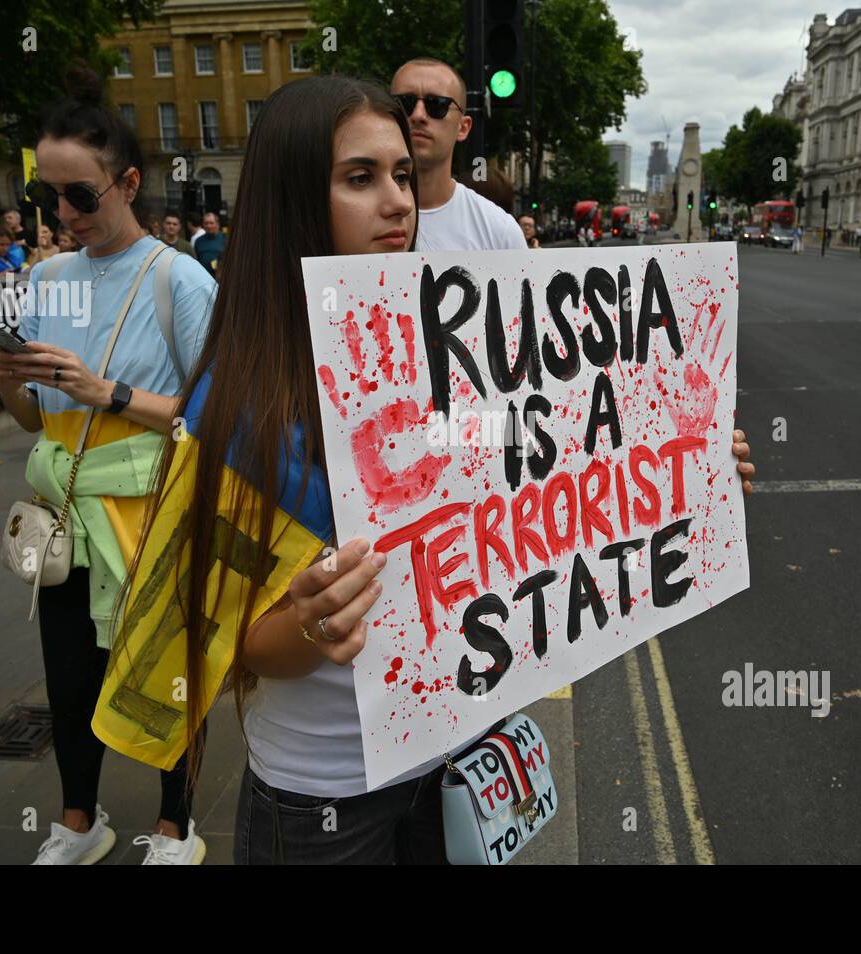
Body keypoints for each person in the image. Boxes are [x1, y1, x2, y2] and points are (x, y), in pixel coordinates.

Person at [104, 75, 757, 866]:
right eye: (359, 178)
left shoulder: (447, 359)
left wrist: (684, 461)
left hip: (458, 760)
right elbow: (237, 644)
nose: (397, 202)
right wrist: (311, 623)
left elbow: (532, 449)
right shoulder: (239, 405)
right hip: (326, 796)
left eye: (401, 177)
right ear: (290, 199)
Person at [0, 65, 218, 866]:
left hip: (150, 509)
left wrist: (107, 391)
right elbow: (35, 423)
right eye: (49, 194)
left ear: (126, 183)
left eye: (81, 195)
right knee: (68, 674)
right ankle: (80, 822)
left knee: (162, 671)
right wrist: (8, 381)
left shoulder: (179, 279)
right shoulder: (45, 279)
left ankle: (174, 828)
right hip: (64, 511)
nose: (62, 213)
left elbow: (218, 416)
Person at [389, 57, 526, 252]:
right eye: (405, 103)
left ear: (463, 127)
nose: (418, 115)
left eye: (437, 105)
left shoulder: (500, 231)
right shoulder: (353, 220)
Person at [193, 211, 226, 276]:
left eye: (211, 223)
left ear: (217, 224)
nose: (209, 226)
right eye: (206, 223)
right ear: (203, 225)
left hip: (222, 278)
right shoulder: (198, 241)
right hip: (203, 278)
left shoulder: (225, 239)